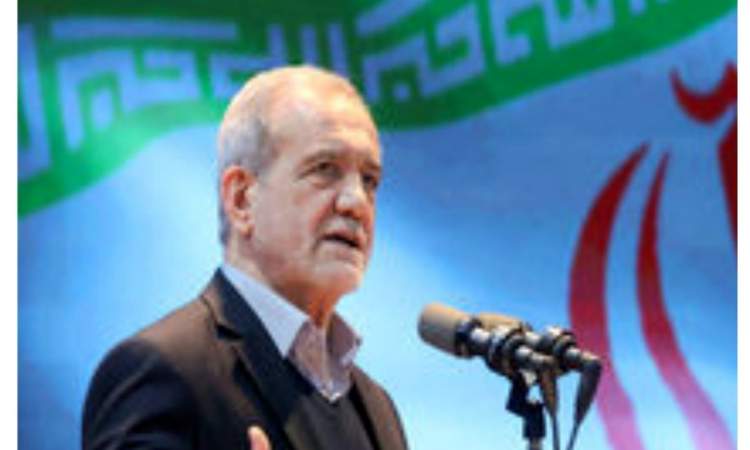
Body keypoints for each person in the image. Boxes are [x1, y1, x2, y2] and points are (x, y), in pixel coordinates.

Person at [82, 66, 409, 450]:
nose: (356, 202)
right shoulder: (162, 370)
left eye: (369, 180)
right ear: (241, 199)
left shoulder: (378, 409)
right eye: (325, 169)